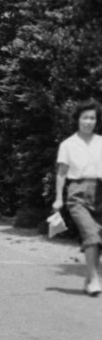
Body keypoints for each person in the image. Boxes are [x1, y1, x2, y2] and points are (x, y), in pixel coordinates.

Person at [53, 98, 102, 297]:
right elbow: (62, 172)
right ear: (78, 120)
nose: (88, 122)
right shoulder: (68, 145)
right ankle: (94, 279)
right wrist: (58, 198)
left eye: (92, 118)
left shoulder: (101, 143)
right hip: (77, 193)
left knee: (97, 238)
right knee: (91, 235)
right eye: (85, 118)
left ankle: (90, 276)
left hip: (99, 193)